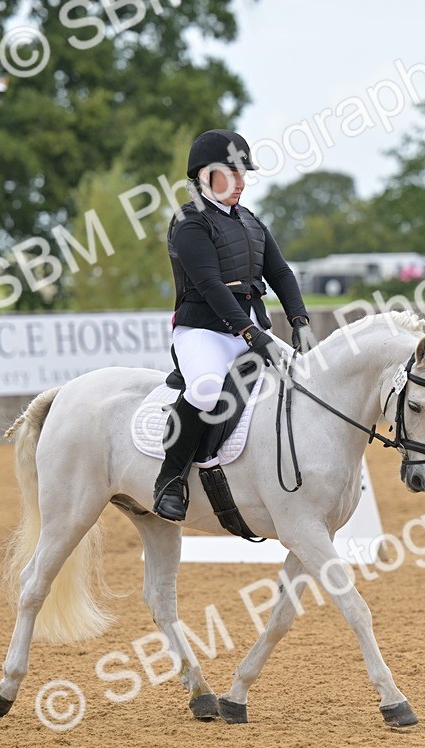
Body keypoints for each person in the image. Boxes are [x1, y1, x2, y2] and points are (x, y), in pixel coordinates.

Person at [152, 129, 313, 521]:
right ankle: (170, 480)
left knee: (305, 381)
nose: (242, 183)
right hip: (205, 332)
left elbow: (281, 272)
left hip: (252, 330)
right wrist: (251, 333)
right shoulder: (189, 223)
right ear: (206, 175)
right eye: (233, 173)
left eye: (244, 174)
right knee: (207, 391)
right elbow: (210, 286)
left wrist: (299, 320)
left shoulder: (251, 222)